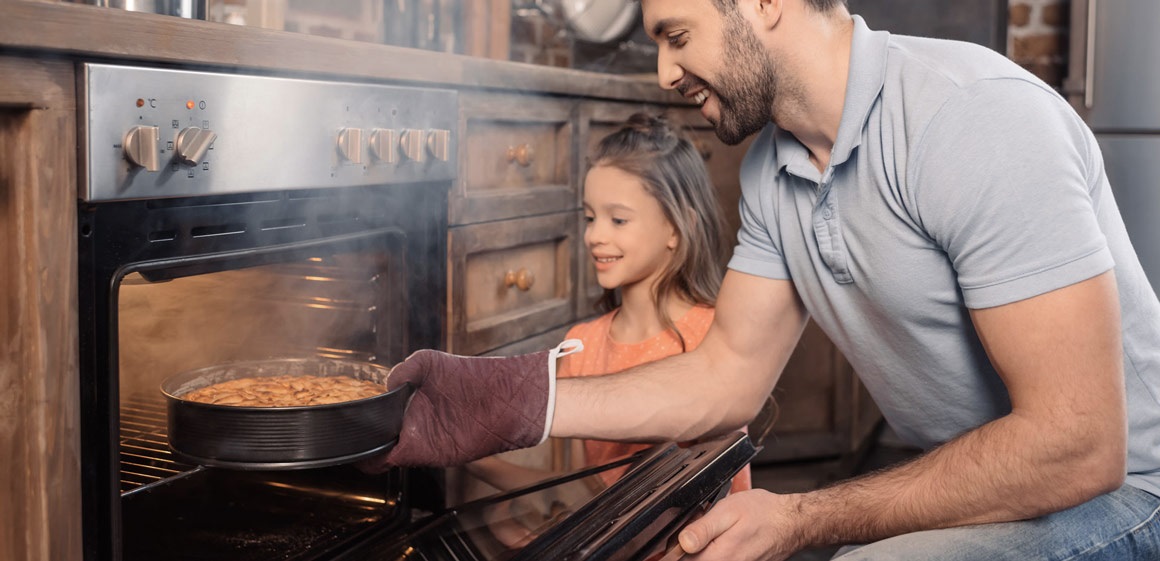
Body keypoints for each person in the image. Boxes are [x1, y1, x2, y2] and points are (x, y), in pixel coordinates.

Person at [371, 0, 1160, 560]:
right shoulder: (772, 172)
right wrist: (507, 401)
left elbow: (1080, 445)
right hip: (1005, 481)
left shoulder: (970, 118)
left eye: (676, 35)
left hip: (1129, 494)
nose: (664, 71)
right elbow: (724, 375)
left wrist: (803, 516)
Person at [467, 113, 750, 495]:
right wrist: (471, 455)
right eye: (589, 217)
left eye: (618, 220)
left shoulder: (714, 338)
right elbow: (588, 499)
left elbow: (731, 498)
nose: (594, 236)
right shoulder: (582, 344)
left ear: (675, 226)